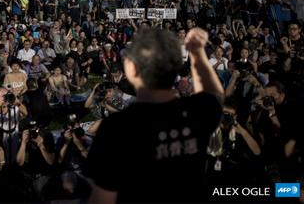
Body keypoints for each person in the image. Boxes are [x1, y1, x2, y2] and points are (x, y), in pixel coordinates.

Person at [85, 28, 224, 203]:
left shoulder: (115, 127)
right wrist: (196, 52)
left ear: (131, 69)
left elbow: (103, 199)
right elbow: (214, 94)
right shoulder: (198, 111)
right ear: (176, 68)